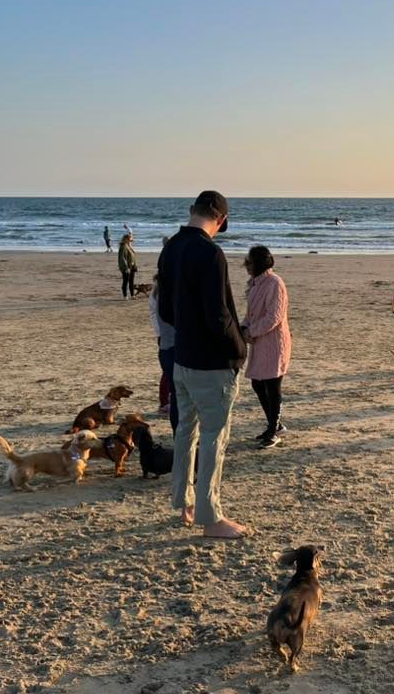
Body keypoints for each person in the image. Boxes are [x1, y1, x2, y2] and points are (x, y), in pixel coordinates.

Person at [157, 190, 247, 539]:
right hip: (212, 362)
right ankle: (211, 517)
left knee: (186, 431)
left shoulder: (172, 248)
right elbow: (219, 315)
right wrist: (239, 347)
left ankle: (184, 502)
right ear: (220, 219)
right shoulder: (210, 253)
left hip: (183, 359)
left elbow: (166, 310)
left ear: (192, 211)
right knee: (213, 438)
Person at [241, 246, 292, 449]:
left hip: (274, 342)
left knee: (272, 385)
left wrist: (251, 331)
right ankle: (275, 424)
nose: (246, 264)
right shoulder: (255, 284)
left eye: (249, 261)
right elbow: (251, 313)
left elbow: (274, 316)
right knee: (257, 383)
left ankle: (274, 430)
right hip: (260, 342)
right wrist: (243, 327)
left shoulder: (275, 283)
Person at [148, 275, 178, 430]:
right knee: (169, 372)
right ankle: (165, 402)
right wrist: (159, 333)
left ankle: (166, 402)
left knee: (168, 372)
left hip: (166, 336)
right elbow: (154, 313)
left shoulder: (159, 290)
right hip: (167, 337)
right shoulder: (159, 291)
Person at [117, 232, 137, 299]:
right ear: (126, 239)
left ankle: (132, 295)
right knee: (125, 281)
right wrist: (126, 268)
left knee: (131, 281)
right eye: (130, 240)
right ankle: (125, 296)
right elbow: (122, 258)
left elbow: (132, 256)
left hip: (131, 267)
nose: (131, 241)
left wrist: (134, 266)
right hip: (126, 267)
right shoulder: (123, 247)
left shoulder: (128, 246)